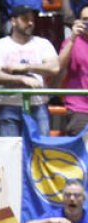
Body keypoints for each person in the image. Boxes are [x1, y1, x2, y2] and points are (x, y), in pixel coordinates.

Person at [0, 4, 59, 137]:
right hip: (8, 105)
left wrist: (26, 67)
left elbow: (54, 67)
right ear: (13, 21)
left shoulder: (43, 44)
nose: (30, 23)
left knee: (40, 152)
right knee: (10, 152)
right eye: (25, 19)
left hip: (38, 105)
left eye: (32, 19)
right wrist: (21, 78)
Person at [59, 4, 88, 137]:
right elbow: (58, 67)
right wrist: (73, 38)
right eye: (85, 19)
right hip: (80, 110)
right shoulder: (71, 42)